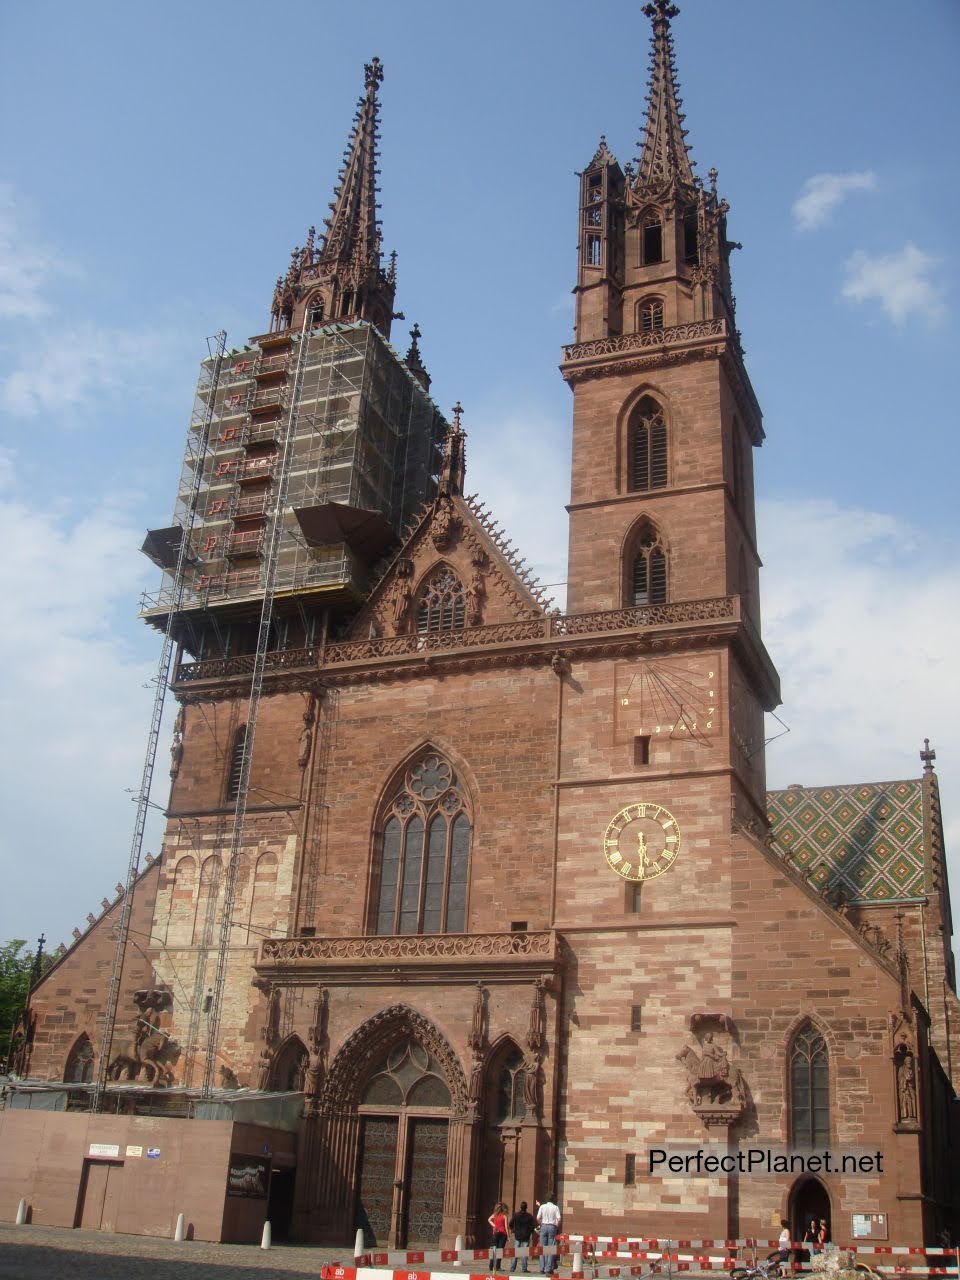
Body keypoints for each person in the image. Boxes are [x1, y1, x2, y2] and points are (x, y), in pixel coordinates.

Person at [536, 1194, 561, 1275]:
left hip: (543, 1226)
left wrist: (541, 1224)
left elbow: (538, 1218)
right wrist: (556, 1226)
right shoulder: (555, 1207)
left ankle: (541, 1268)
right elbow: (559, 1218)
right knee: (551, 1249)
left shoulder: (542, 1206)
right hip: (552, 1227)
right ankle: (548, 1268)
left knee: (542, 1248)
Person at [510, 1201, 537, 1273]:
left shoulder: (516, 1215)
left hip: (517, 1235)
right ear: (526, 1207)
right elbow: (533, 1226)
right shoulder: (529, 1216)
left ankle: (512, 1268)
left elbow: (510, 1223)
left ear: (520, 1207)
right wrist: (530, 1232)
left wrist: (513, 1230)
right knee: (524, 1253)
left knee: (515, 1252)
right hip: (526, 1236)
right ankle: (524, 1269)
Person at [489, 1202, 509, 1271]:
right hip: (503, 1234)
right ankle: (497, 1266)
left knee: (493, 1250)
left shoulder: (494, 1215)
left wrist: (494, 1225)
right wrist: (508, 1236)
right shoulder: (504, 1216)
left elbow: (489, 1220)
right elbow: (506, 1227)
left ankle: (491, 1266)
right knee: (500, 1250)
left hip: (495, 1233)